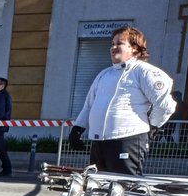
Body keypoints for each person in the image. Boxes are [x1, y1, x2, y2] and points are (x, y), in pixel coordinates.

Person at [71, 26, 176, 176]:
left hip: (128, 141)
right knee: (97, 188)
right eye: (112, 44)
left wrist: (153, 126)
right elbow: (89, 105)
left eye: (119, 43)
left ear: (134, 48)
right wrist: (77, 129)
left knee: (124, 188)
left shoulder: (144, 71)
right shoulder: (104, 74)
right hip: (99, 142)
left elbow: (165, 105)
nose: (113, 47)